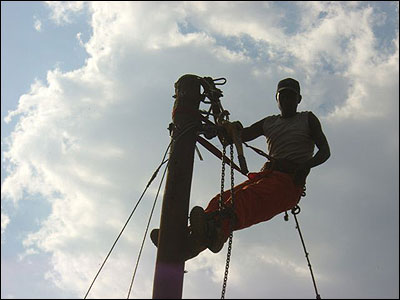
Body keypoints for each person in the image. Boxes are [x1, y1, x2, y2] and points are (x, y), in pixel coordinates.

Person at [151, 77, 331, 260]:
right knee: (219, 201)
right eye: (282, 96)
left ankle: (198, 241)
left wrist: (305, 167)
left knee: (241, 203)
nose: (286, 100)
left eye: (291, 96)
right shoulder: (269, 122)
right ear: (277, 99)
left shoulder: (307, 119)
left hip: (288, 182)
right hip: (268, 176)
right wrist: (227, 127)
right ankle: (185, 240)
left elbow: (325, 151)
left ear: (298, 99)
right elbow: (234, 138)